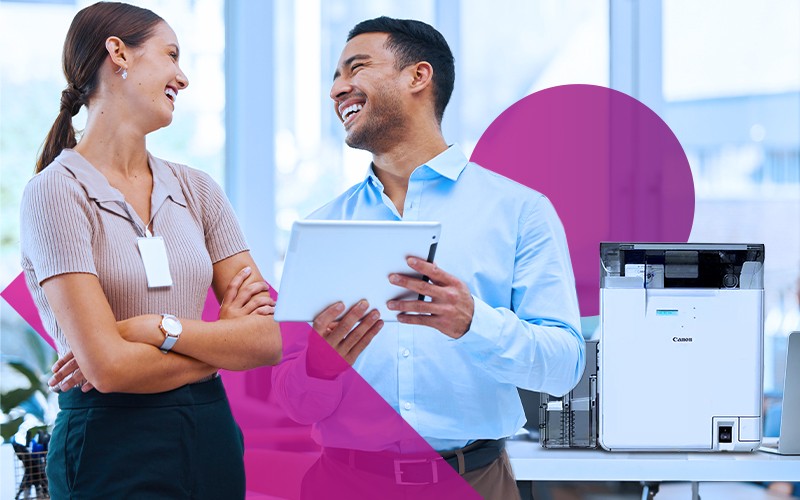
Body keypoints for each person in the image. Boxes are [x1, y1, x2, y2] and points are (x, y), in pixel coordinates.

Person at [272, 16, 585, 499]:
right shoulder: (319, 229)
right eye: (334, 77)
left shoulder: (520, 212)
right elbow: (293, 403)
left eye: (354, 68)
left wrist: (472, 321)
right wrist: (319, 366)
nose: (338, 89)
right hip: (342, 483)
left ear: (418, 76)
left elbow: (564, 368)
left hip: (474, 480)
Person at [20, 3, 281, 498]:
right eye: (172, 55)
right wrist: (223, 340)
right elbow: (108, 369)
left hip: (210, 437)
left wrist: (155, 328)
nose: (182, 78)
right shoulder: (56, 191)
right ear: (118, 53)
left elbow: (265, 342)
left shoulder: (198, 189)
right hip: (108, 442)